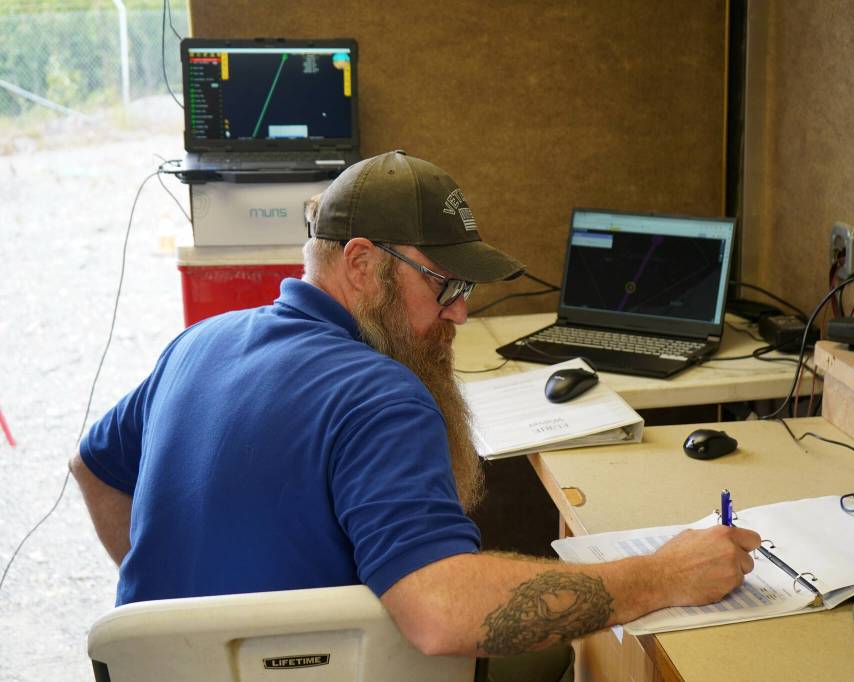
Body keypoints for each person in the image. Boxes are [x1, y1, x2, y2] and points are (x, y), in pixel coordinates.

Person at [70, 150, 760, 671]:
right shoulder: (379, 393)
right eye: (444, 283)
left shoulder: (199, 343)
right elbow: (440, 613)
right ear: (363, 264)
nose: (460, 310)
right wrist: (663, 575)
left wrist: (176, 623)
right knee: (555, 659)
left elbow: (92, 466)